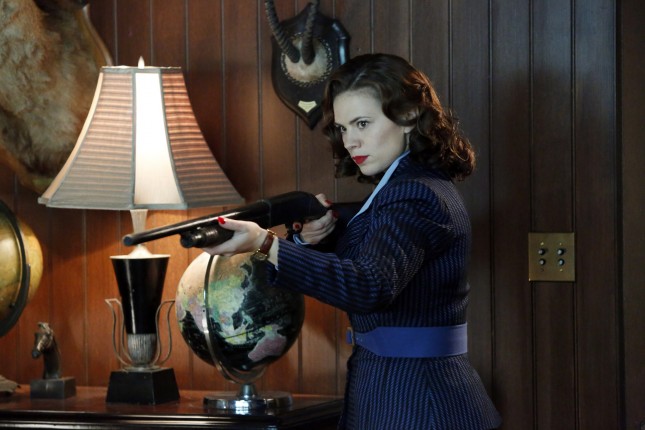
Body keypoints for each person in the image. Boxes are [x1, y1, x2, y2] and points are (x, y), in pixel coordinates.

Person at [204, 53, 502, 429]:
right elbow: (370, 251)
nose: (350, 141)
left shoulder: (413, 194)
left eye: (363, 123)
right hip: (403, 394)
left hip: (419, 403)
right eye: (344, 128)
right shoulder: (407, 187)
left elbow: (368, 286)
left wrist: (265, 243)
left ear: (410, 115)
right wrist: (313, 237)